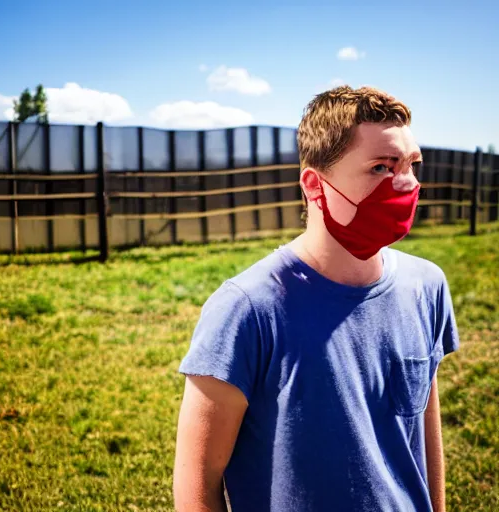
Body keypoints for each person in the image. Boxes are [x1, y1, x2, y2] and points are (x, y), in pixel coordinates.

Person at [173, 86, 459, 512]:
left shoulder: (427, 286)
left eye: (411, 165)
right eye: (381, 167)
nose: (406, 183)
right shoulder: (247, 309)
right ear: (314, 185)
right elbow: (198, 480)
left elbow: (423, 431)